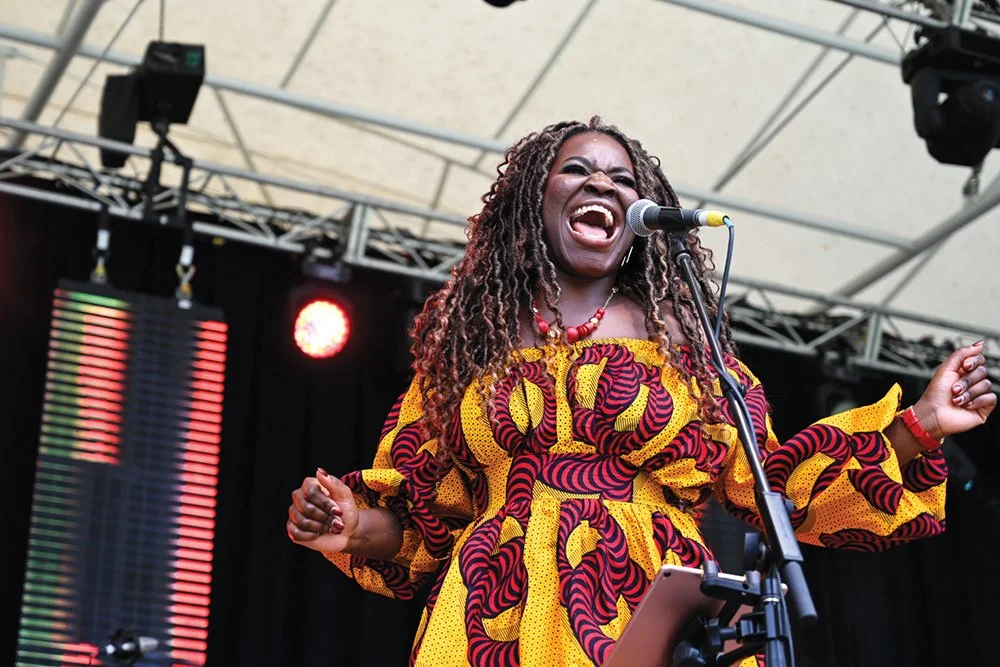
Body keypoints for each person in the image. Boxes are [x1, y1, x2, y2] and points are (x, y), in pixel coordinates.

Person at [286, 117, 995, 667]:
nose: (603, 185)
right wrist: (352, 526)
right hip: (494, 619)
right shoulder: (467, 346)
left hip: (649, 607)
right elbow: (419, 523)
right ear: (534, 200)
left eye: (622, 179)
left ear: (641, 214)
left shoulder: (684, 342)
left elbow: (776, 486)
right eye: (578, 170)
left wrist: (921, 424)